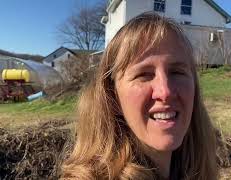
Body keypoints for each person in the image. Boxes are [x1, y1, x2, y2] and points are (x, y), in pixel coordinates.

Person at [61, 12, 217, 180]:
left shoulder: (197, 169)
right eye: (144, 74)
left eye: (177, 72)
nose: (165, 91)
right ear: (113, 97)